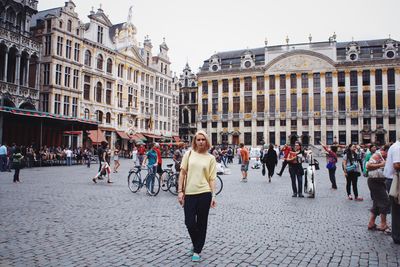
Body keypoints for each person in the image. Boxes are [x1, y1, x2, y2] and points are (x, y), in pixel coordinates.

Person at [177, 130, 217, 262]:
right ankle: (196, 243)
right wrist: (180, 191)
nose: (200, 142)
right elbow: (182, 173)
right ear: (195, 141)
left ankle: (198, 250)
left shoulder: (211, 158)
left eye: (203, 139)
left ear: (206, 141)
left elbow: (212, 179)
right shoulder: (188, 154)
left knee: (202, 223)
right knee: (189, 222)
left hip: (204, 194)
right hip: (189, 193)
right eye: (198, 139)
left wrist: (213, 196)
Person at [366, 144, 390, 232]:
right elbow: (368, 166)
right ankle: (383, 224)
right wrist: (381, 164)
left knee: (376, 203)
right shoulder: (377, 155)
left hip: (380, 181)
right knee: (385, 201)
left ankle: (371, 223)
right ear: (386, 151)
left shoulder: (385, 157)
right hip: (374, 181)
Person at [384, 140, 400, 244]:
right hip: (394, 180)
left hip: (394, 179)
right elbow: (397, 165)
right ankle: (397, 236)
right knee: (397, 209)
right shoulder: (397, 148)